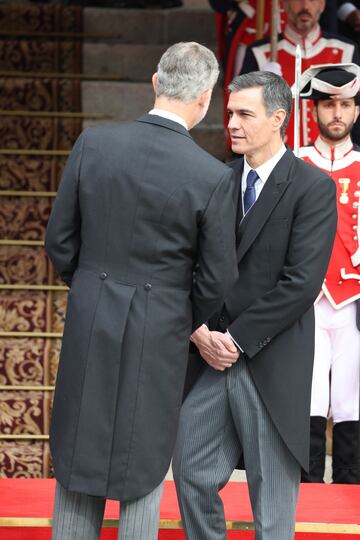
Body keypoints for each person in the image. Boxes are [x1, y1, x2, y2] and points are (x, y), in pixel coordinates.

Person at [45, 41, 238, 540]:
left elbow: (60, 241)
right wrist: (176, 311)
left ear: (155, 82)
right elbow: (217, 278)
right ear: (205, 99)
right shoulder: (213, 176)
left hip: (91, 314)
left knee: (76, 455)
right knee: (144, 455)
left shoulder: (93, 144)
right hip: (163, 326)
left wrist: (89, 287)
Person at [173, 71, 337, 540]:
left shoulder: (313, 187)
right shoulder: (216, 179)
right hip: (211, 359)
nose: (233, 124)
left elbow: (301, 283)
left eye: (245, 114)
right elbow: (189, 265)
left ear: (278, 119)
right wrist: (200, 329)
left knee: (272, 508)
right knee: (189, 470)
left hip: (270, 359)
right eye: (230, 114)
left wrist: (237, 339)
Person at [297, 63, 360, 484]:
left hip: (355, 304)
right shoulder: (295, 164)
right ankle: (303, 505)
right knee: (309, 403)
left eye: (345, 104)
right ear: (314, 111)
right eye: (329, 105)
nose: (337, 113)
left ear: (356, 111)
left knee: (353, 406)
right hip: (306, 301)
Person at [240, 0, 360, 148]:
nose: (305, 6)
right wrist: (257, 88)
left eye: (312, 0)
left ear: (322, 5)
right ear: (284, 5)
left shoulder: (347, 50)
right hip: (279, 162)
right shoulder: (260, 52)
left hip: (331, 163)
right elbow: (242, 114)